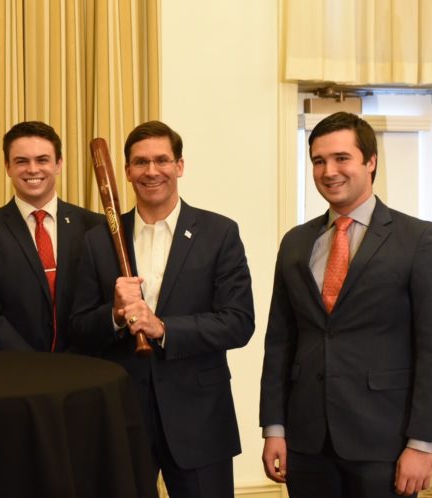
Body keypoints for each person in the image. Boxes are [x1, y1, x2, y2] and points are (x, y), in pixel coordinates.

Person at [259, 112, 432, 498]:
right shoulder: (296, 243)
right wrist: (274, 428)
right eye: (318, 161)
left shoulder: (418, 240)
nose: (328, 171)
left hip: (384, 440)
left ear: (370, 161)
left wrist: (421, 443)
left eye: (341, 158)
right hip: (306, 442)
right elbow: (279, 343)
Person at [71, 120, 254, 497]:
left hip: (200, 418)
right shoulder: (99, 240)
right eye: (140, 162)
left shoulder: (219, 233)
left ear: (180, 166)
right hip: (124, 415)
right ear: (126, 171)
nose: (151, 171)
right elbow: (79, 327)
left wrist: (164, 328)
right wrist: (116, 315)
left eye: (162, 160)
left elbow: (238, 323)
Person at [0, 121, 104, 351]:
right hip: (16, 373)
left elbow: (100, 303)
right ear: (7, 167)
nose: (32, 169)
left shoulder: (94, 227)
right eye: (21, 161)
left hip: (84, 366)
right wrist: (34, 366)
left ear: (58, 164)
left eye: (42, 160)